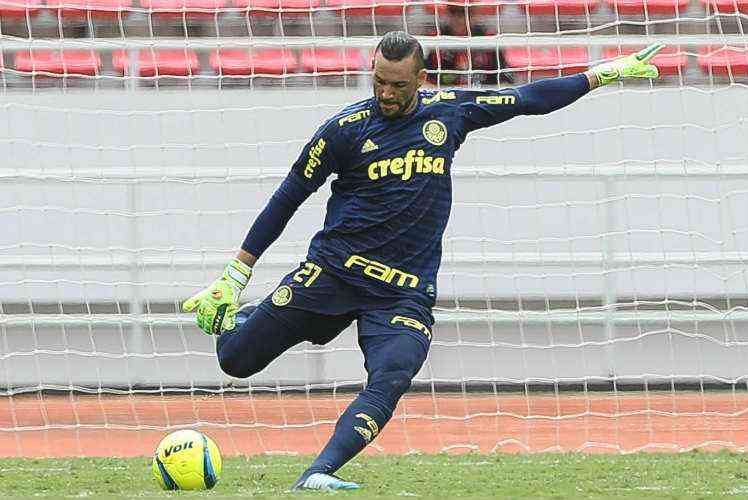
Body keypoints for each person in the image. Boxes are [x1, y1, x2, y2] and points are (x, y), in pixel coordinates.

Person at [182, 32, 664, 491]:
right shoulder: (344, 131)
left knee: (391, 377)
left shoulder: (450, 114)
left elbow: (528, 99)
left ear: (421, 79)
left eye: (398, 85)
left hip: (403, 291)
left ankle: (319, 473)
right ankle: (243, 317)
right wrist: (235, 274)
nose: (386, 94)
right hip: (332, 273)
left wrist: (603, 74)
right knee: (236, 360)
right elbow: (287, 197)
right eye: (378, 82)